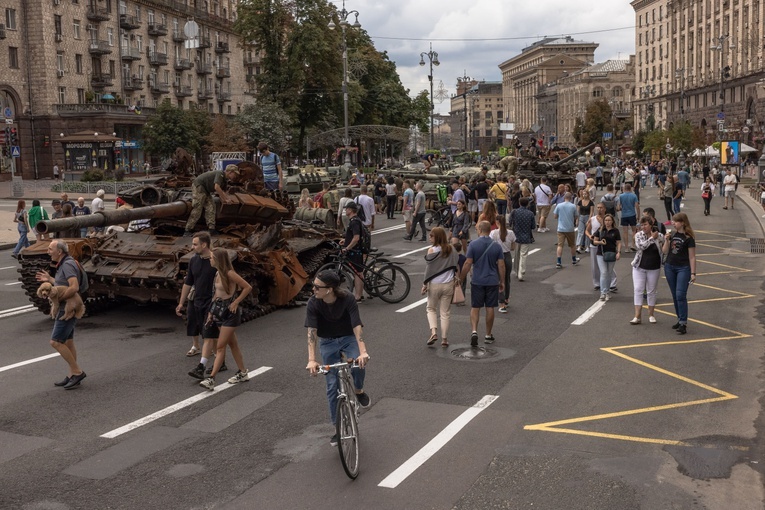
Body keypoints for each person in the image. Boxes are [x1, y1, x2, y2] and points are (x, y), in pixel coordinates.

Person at [305, 269, 371, 446]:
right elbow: (312, 332)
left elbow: (357, 325)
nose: (313, 289)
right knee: (332, 385)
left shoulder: (348, 299)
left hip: (348, 338)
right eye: (313, 285)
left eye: (317, 287)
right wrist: (311, 359)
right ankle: (337, 428)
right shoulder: (313, 303)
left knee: (358, 364)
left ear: (330, 289)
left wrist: (362, 351)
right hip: (327, 342)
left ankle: (358, 391)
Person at [199, 248, 253, 391]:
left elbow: (247, 287)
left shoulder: (230, 273)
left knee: (220, 346)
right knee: (233, 344)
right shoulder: (217, 273)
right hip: (218, 312)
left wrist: (236, 302)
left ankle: (211, 378)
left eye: (211, 257)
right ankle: (243, 372)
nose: (209, 259)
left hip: (230, 313)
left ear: (218, 259)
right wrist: (211, 312)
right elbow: (216, 295)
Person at [35, 240, 86, 389]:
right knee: (68, 341)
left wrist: (58, 299)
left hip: (67, 307)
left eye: (50, 249)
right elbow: (62, 283)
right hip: (67, 304)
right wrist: (50, 280)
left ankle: (77, 372)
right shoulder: (63, 263)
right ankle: (72, 374)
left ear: (60, 251)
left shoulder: (67, 264)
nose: (48, 251)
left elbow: (74, 286)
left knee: (56, 341)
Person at [177, 232, 226, 376]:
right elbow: (188, 282)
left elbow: (225, 281)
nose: (192, 247)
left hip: (212, 302)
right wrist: (181, 303)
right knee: (208, 334)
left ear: (204, 244)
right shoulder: (194, 260)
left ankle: (202, 366)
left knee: (209, 334)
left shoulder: (215, 260)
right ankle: (220, 361)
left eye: (195, 244)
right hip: (197, 300)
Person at [460, 221, 505, 346]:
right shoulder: (496, 246)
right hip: (492, 281)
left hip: (477, 280)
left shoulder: (473, 245)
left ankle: (474, 331)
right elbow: (501, 265)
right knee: (490, 307)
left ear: (480, 229)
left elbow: (468, 263)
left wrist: (461, 278)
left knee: (475, 307)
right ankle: (488, 334)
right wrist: (502, 281)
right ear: (489, 230)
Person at [422, 227, 459, 347]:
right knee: (445, 313)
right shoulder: (451, 249)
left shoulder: (431, 251)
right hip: (448, 284)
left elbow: (429, 270)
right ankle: (444, 339)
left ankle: (433, 331)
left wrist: (424, 284)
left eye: (431, 236)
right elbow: (455, 265)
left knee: (431, 309)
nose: (429, 237)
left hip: (434, 284)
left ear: (437, 237)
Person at [662, 213, 697, 335]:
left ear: (682, 223)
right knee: (674, 295)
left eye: (675, 221)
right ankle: (679, 318)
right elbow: (665, 251)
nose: (673, 223)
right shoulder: (672, 235)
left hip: (683, 268)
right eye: (673, 221)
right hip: (670, 266)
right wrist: (666, 240)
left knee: (680, 294)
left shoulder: (688, 238)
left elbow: (692, 257)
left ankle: (683, 322)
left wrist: (693, 273)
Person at [184, 165, 239, 236]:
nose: (235, 176)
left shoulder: (225, 180)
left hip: (206, 190)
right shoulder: (220, 174)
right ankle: (187, 230)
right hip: (199, 186)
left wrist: (228, 199)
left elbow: (223, 192)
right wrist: (226, 199)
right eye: (235, 174)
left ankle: (211, 229)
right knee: (198, 207)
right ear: (230, 172)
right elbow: (216, 187)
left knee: (211, 207)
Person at [630, 217, 664, 324]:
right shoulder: (639, 235)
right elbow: (641, 246)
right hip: (639, 266)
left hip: (654, 267)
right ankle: (637, 316)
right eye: (642, 225)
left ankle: (651, 314)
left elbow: (664, 247)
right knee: (638, 289)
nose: (643, 227)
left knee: (651, 291)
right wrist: (651, 239)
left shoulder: (659, 235)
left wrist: (666, 239)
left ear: (651, 224)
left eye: (645, 225)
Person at [585, 203, 617, 293]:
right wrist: (590, 236)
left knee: (608, 264)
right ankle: (597, 284)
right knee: (595, 265)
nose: (599, 209)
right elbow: (586, 230)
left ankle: (612, 283)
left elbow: (614, 231)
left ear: (605, 209)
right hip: (595, 245)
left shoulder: (607, 219)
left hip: (607, 246)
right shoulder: (592, 219)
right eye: (598, 208)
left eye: (601, 208)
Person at [340, 201, 365, 301]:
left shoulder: (354, 221)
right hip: (355, 250)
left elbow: (356, 238)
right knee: (358, 272)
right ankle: (360, 293)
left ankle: (358, 295)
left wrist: (347, 248)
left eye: (346, 209)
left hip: (356, 251)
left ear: (350, 210)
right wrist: (345, 241)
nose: (345, 210)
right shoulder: (355, 220)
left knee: (358, 273)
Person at [593, 214, 621, 302]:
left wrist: (618, 252)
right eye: (606, 220)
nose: (607, 222)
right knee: (604, 272)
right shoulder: (601, 230)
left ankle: (607, 291)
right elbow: (594, 241)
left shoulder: (615, 231)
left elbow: (619, 242)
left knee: (609, 273)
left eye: (609, 220)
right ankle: (603, 292)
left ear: (612, 221)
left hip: (612, 253)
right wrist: (600, 242)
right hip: (601, 254)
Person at [490, 215, 515, 313]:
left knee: (500, 279)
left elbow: (491, 246)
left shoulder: (493, 233)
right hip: (507, 256)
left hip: (497, 256)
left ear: (497, 222)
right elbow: (513, 247)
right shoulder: (511, 232)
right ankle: (506, 298)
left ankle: (501, 302)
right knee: (507, 278)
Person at [510, 197, 535, 282]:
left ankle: (516, 271)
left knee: (516, 255)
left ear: (519, 203)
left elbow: (510, 222)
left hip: (516, 236)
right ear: (527, 204)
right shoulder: (530, 213)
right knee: (523, 255)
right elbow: (533, 226)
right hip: (526, 236)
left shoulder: (514, 212)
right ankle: (521, 272)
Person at [554, 192, 579, 269]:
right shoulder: (573, 206)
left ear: (564, 198)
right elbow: (576, 216)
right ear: (571, 198)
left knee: (560, 245)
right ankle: (574, 259)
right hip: (570, 228)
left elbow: (555, 216)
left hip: (561, 228)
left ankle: (558, 261)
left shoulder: (559, 205)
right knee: (572, 245)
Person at [617, 182, 640, 252]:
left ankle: (626, 248)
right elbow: (637, 206)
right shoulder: (634, 196)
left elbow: (619, 207)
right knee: (634, 230)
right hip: (632, 214)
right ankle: (632, 245)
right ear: (630, 188)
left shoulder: (621, 196)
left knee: (625, 232)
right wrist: (638, 215)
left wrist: (621, 208)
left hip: (624, 215)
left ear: (624, 188)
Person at [575, 189, 594, 253]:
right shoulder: (580, 202)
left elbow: (591, 212)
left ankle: (587, 246)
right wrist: (577, 220)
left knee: (587, 232)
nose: (584, 195)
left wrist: (589, 219)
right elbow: (578, 211)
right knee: (580, 231)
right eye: (583, 194)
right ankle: (578, 246)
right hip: (581, 217)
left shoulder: (591, 202)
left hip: (587, 216)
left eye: (585, 194)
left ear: (588, 194)